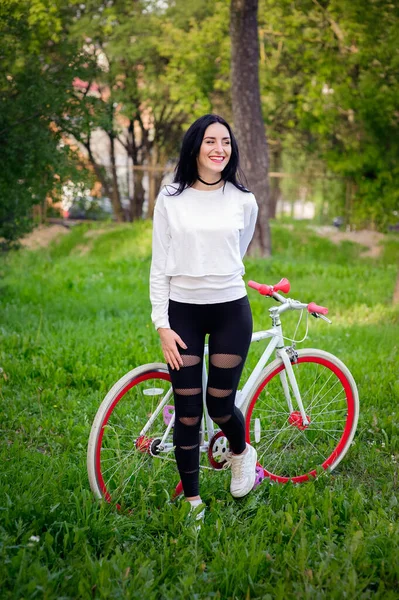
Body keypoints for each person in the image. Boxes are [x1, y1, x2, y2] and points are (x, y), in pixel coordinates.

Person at [149, 114, 259, 522]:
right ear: (195, 146)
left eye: (226, 142)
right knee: (188, 410)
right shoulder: (170, 198)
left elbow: (238, 251)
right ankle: (193, 502)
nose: (219, 149)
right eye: (211, 141)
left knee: (220, 406)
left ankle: (241, 453)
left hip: (231, 309)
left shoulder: (243, 199)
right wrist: (162, 324)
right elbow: (160, 265)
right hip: (183, 315)